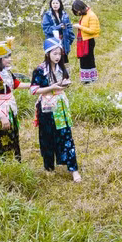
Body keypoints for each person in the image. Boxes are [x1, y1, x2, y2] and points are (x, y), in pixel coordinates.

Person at [30, 38, 82, 181]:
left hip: (60, 107)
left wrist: (65, 84)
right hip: (46, 107)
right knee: (47, 137)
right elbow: (33, 90)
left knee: (66, 136)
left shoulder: (61, 68)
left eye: (59, 54)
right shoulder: (40, 70)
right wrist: (51, 88)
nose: (57, 57)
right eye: (54, 53)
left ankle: (73, 169)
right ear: (47, 53)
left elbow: (64, 81)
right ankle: (49, 167)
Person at [0, 37, 28, 161]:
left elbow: (16, 84)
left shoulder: (6, 72)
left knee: (13, 136)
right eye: (7, 57)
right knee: (3, 139)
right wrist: (3, 116)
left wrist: (34, 85)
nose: (10, 59)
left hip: (9, 108)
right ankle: (6, 167)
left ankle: (16, 162)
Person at [71, 0, 100, 84]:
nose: (78, 13)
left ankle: (90, 79)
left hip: (88, 40)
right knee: (84, 59)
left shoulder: (91, 15)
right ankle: (87, 79)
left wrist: (80, 27)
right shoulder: (85, 14)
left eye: (78, 10)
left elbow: (93, 31)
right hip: (84, 40)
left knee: (88, 59)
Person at [41, 0, 74, 66]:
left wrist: (71, 38)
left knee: (64, 62)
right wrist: (58, 27)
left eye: (57, 3)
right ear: (51, 5)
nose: (55, 5)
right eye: (53, 3)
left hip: (63, 41)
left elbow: (69, 27)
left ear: (60, 4)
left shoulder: (65, 15)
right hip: (53, 42)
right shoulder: (47, 15)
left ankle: (64, 76)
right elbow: (46, 30)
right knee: (53, 62)